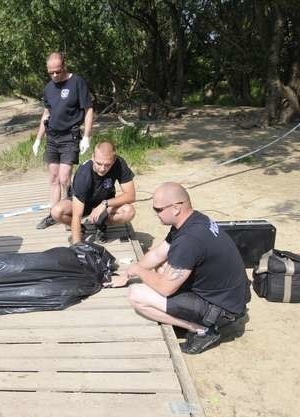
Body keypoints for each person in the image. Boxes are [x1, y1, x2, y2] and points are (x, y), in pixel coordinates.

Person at [107, 182, 250, 354]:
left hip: (223, 309)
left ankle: (203, 330)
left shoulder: (188, 240)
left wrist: (139, 272)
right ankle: (195, 318)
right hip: (229, 296)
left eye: (158, 209)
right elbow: (158, 254)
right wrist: (127, 273)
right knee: (162, 267)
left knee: (137, 295)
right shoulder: (193, 220)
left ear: (175, 208)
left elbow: (166, 288)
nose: (155, 214)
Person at [33, 51, 94, 230]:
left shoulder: (77, 82)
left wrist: (87, 136)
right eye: (50, 72)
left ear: (64, 66)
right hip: (53, 137)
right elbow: (46, 113)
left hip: (70, 136)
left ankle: (70, 213)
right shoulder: (48, 88)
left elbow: (88, 109)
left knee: (64, 177)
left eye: (57, 71)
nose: (54, 75)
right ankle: (54, 213)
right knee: (53, 177)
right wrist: (38, 139)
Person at [51, 141, 136, 244]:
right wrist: (78, 246)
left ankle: (101, 224)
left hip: (105, 204)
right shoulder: (83, 174)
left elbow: (131, 195)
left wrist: (105, 204)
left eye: (107, 165)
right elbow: (77, 215)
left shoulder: (119, 163)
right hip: (84, 203)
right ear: (93, 157)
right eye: (99, 163)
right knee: (56, 212)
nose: (102, 168)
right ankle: (80, 229)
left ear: (114, 160)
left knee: (129, 212)